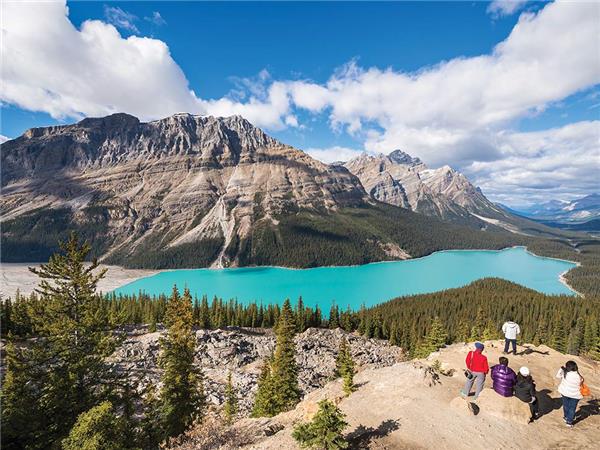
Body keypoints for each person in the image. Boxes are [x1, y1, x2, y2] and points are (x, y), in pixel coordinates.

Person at [556, 361, 583, 427]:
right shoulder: (579, 377)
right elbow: (581, 384)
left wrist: (561, 369)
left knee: (565, 405)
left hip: (565, 393)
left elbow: (557, 376)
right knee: (572, 408)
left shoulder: (565, 373)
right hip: (575, 395)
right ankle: (569, 422)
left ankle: (566, 417)